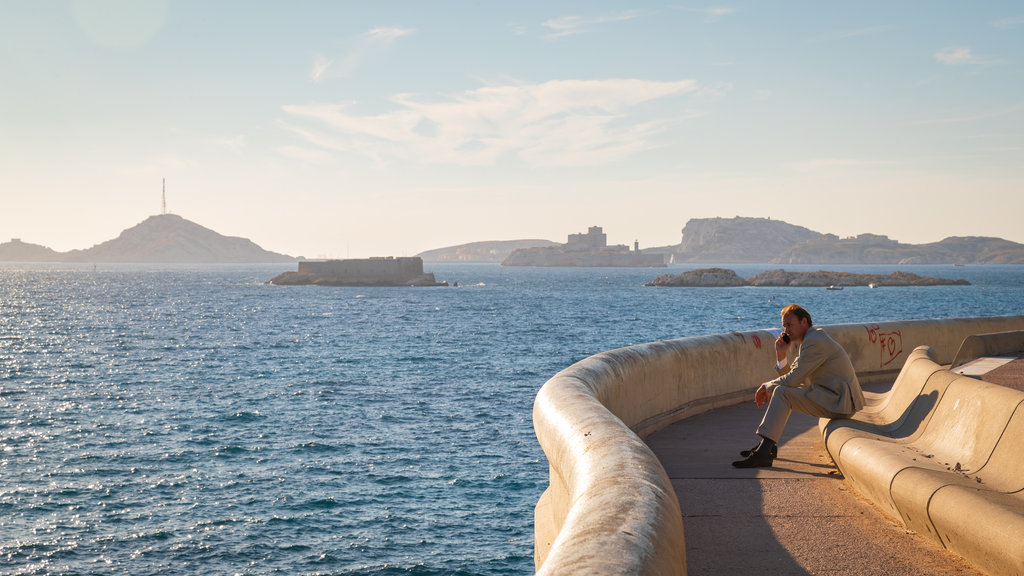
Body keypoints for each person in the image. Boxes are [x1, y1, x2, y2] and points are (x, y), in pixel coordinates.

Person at [732, 304, 865, 468]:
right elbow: (793, 377)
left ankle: (764, 453)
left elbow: (792, 381)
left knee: (782, 392)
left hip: (839, 402)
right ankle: (767, 447)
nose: (786, 330)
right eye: (784, 326)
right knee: (783, 392)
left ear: (804, 322)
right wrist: (781, 355)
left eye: (790, 325)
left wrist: (766, 386)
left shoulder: (815, 341)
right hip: (831, 396)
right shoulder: (811, 339)